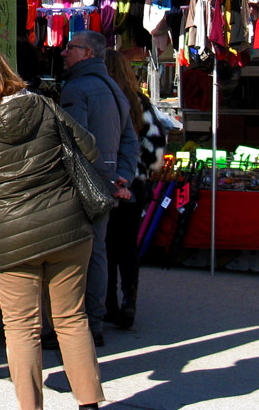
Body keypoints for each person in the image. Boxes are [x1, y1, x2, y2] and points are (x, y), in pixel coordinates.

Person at [0, 45, 104, 410]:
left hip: (11, 241)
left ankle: (30, 407)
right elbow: (90, 149)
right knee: (71, 319)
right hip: (67, 228)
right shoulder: (45, 107)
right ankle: (89, 404)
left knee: (21, 328)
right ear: (4, 73)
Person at [57, 30, 138, 347]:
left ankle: (82, 325)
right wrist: (121, 176)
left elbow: (73, 142)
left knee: (78, 257)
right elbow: (130, 141)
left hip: (83, 185)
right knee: (97, 253)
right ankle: (94, 322)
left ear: (87, 53)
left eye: (70, 48)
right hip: (106, 184)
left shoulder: (77, 88)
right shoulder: (115, 90)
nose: (64, 52)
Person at [103, 48, 166, 329]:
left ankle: (108, 304)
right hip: (135, 185)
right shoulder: (140, 103)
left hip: (105, 181)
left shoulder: (102, 100)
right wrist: (141, 171)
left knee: (104, 247)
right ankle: (129, 300)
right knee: (127, 246)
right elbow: (156, 146)